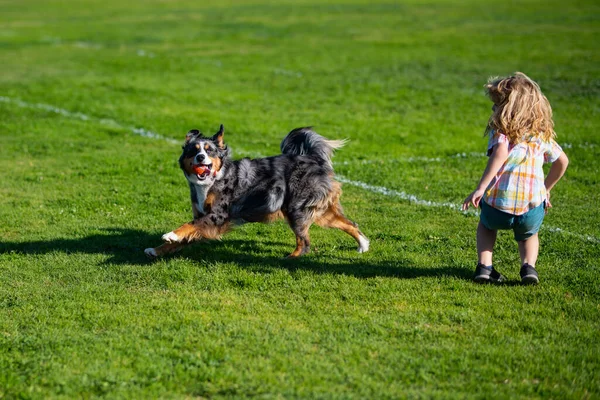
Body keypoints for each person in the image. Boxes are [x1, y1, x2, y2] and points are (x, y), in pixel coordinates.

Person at [462, 72, 569, 284]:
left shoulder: (500, 131)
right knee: (528, 235)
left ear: (508, 107)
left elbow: (501, 152)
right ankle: (528, 268)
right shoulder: (541, 135)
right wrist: (546, 189)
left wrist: (481, 188)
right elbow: (562, 161)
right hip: (531, 205)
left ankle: (485, 266)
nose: (493, 109)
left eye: (497, 104)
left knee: (486, 225)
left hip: (497, 205)